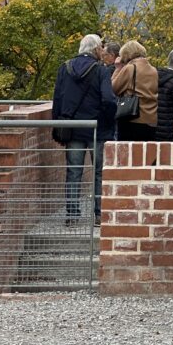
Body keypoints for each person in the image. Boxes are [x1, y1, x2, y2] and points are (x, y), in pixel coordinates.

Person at [52, 33, 117, 227]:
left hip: (72, 130)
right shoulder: (101, 71)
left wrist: (58, 126)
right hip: (97, 129)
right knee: (99, 172)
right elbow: (108, 99)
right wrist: (107, 121)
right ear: (97, 49)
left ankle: (72, 215)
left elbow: (58, 99)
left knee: (73, 172)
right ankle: (99, 214)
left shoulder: (65, 68)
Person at [111, 41, 159, 141]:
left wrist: (118, 68)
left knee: (129, 154)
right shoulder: (154, 70)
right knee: (146, 154)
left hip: (132, 118)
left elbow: (113, 88)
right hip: (151, 119)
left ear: (126, 54)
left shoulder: (130, 68)